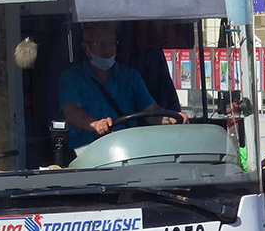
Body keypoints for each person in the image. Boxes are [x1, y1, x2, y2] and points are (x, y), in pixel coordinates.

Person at [58, 22, 184, 151]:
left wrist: (171, 119)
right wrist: (95, 125)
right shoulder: (71, 77)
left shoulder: (131, 76)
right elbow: (72, 111)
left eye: (111, 43)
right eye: (99, 44)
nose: (106, 49)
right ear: (85, 48)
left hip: (128, 152)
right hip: (87, 153)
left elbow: (150, 112)